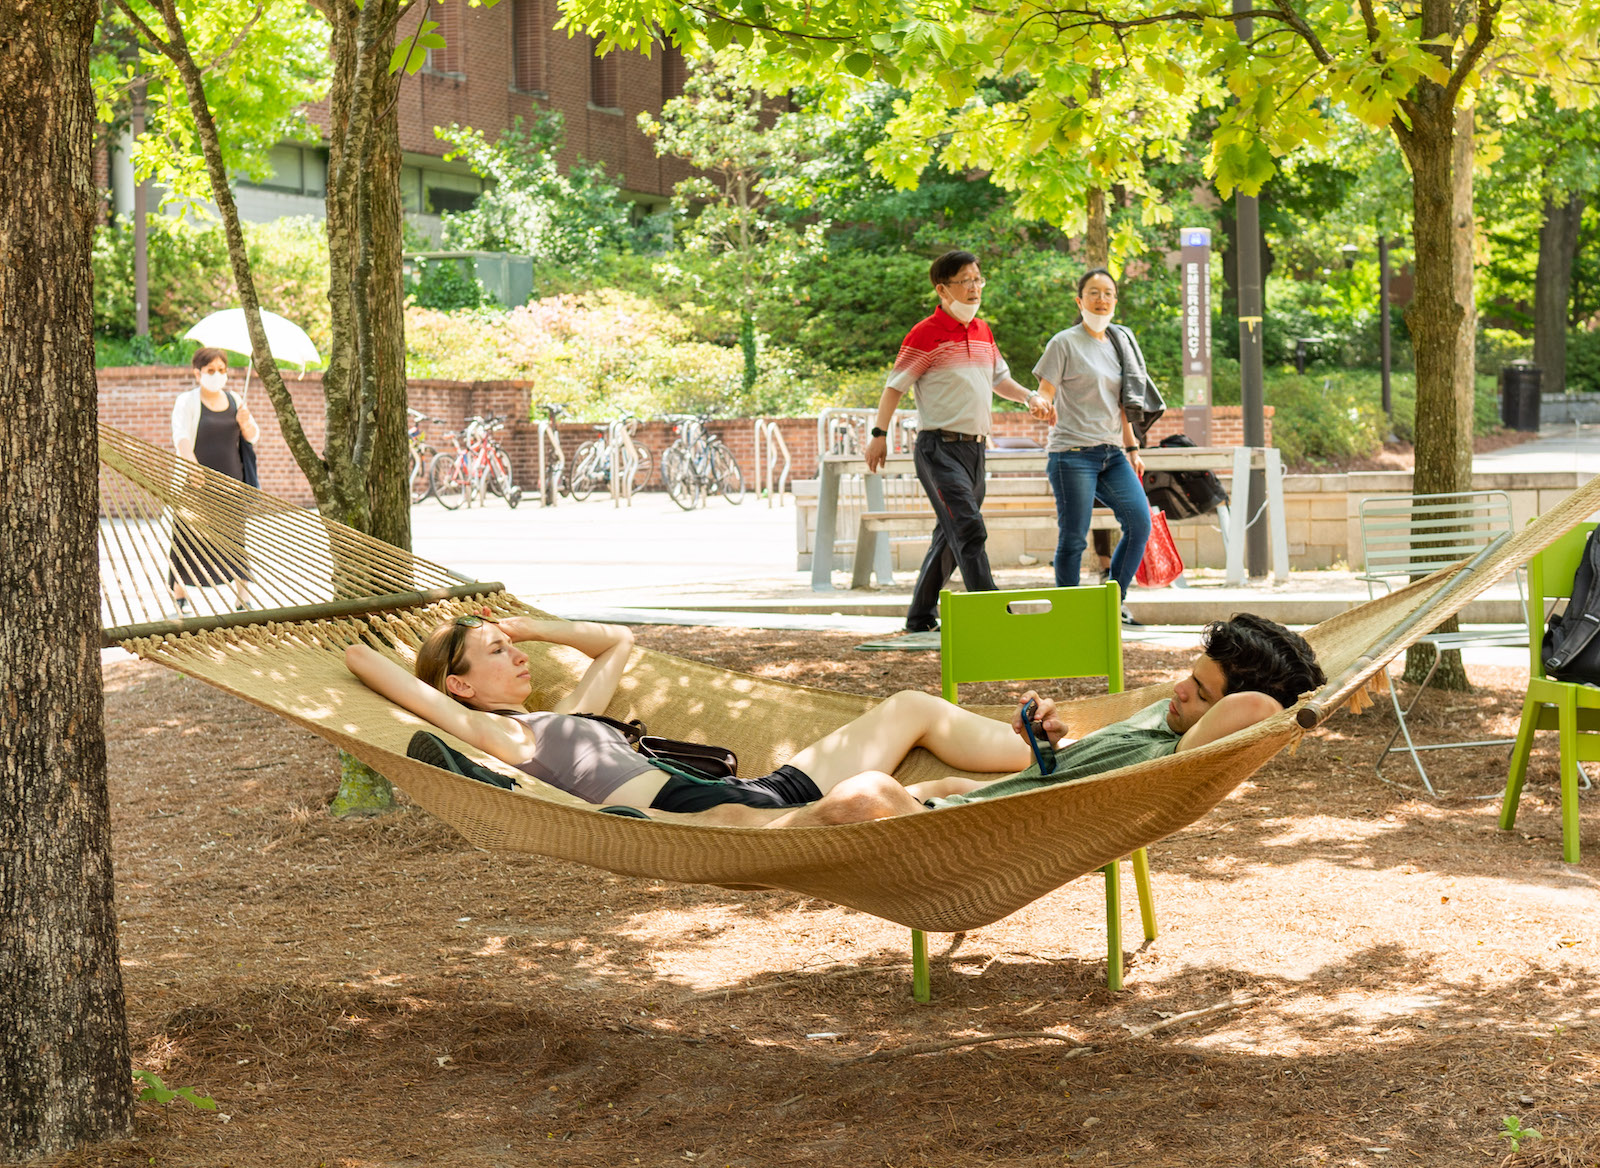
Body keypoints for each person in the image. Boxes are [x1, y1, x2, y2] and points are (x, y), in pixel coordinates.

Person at [344, 612, 1037, 822]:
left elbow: (617, 642)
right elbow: (361, 659)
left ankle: (1051, 760)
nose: (517, 658)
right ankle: (973, 814)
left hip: (759, 789)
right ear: (460, 688)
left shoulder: (567, 716)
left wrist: (523, 625)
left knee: (910, 708)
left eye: (513, 649)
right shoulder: (502, 735)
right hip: (704, 817)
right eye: (498, 653)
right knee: (869, 800)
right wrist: (419, 642)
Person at [863, 250, 1053, 633]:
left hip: (976, 450)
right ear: (942, 289)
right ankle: (994, 611)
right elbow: (893, 387)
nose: (974, 287)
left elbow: (1000, 381)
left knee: (950, 536)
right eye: (964, 280)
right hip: (939, 450)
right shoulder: (925, 333)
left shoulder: (983, 331)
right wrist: (878, 436)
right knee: (968, 528)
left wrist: (1030, 397)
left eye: (978, 279)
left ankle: (919, 618)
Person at [1035, 268, 1164, 624]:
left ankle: (1111, 603)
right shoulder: (1064, 342)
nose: (1101, 298)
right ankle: (1067, 613)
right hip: (1072, 455)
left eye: (1108, 293)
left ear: (1115, 301)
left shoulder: (1121, 342)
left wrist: (1132, 447)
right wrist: (1041, 403)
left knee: (1139, 523)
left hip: (1112, 454)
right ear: (1080, 300)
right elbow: (1045, 390)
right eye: (1093, 292)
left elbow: (1123, 403)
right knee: (1074, 537)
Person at [169, 346, 261, 613]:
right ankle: (180, 593)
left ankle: (243, 597)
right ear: (197, 373)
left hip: (231, 484)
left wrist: (245, 422)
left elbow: (253, 437)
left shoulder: (235, 399)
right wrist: (192, 466)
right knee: (187, 537)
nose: (217, 375)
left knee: (235, 538)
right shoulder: (187, 401)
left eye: (222, 370)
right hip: (195, 483)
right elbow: (181, 436)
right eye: (211, 371)